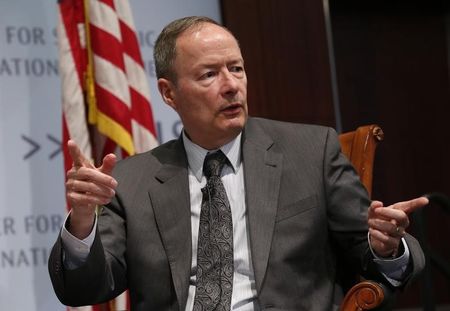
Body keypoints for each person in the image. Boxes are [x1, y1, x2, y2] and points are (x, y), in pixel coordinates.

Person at [48, 16, 428, 311]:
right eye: (210, 74)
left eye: (237, 68)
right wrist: (83, 222)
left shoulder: (311, 151)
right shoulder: (134, 180)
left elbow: (374, 254)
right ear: (169, 93)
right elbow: (85, 287)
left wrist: (387, 247)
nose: (231, 85)